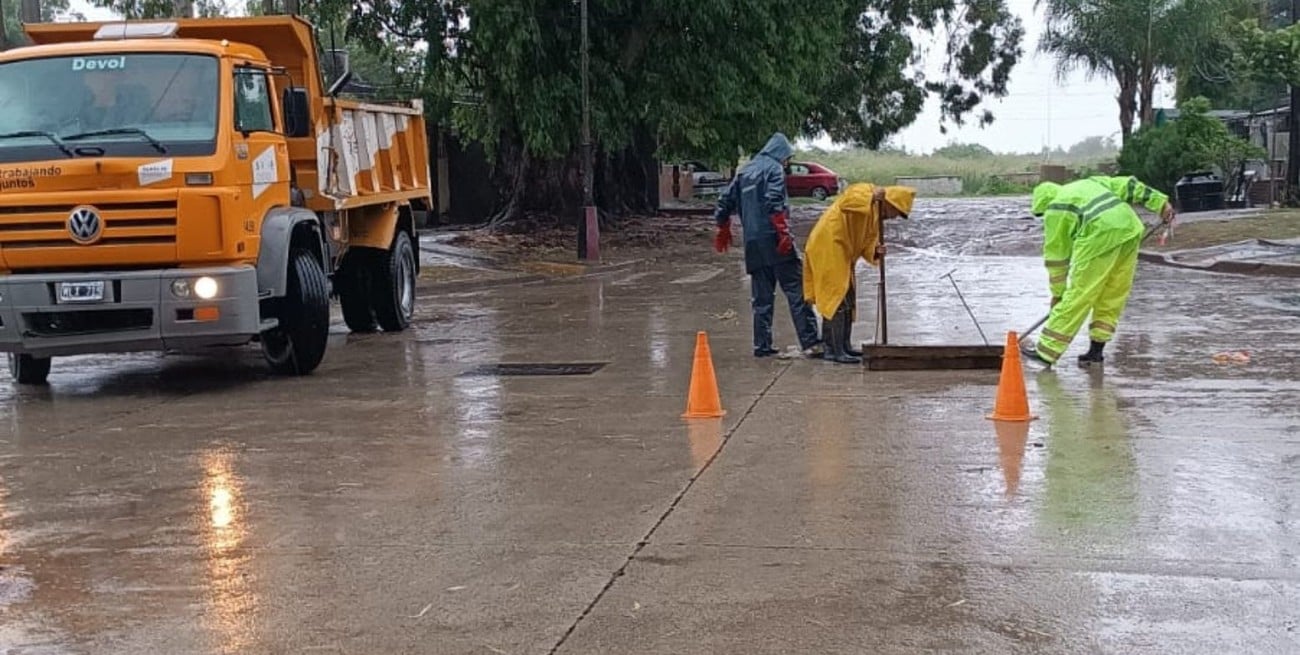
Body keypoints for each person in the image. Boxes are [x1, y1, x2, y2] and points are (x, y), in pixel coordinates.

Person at [1022, 176, 1175, 367]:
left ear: (1043, 205)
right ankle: (1096, 352)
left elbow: (1057, 259)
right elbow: (1128, 185)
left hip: (1098, 236)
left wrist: (1058, 295)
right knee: (1113, 293)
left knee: (1079, 295)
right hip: (1129, 230)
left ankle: (1046, 351)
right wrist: (1161, 203)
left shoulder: (1054, 209)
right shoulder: (1089, 183)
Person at [713, 132, 821, 357]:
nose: (787, 163)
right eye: (787, 158)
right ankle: (811, 342)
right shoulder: (774, 169)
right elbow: (774, 201)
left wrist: (722, 226)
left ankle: (762, 346)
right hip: (775, 239)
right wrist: (783, 233)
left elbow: (724, 201)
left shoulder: (744, 171)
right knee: (797, 291)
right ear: (781, 154)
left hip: (753, 243)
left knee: (761, 298)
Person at [802, 183, 915, 364]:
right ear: (891, 203)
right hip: (828, 246)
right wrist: (871, 197)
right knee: (836, 298)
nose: (894, 217)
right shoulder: (865, 191)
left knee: (848, 299)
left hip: (842, 253)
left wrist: (876, 251)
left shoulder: (876, 217)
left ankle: (844, 346)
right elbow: (847, 202)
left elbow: (867, 242)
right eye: (896, 212)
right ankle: (834, 350)